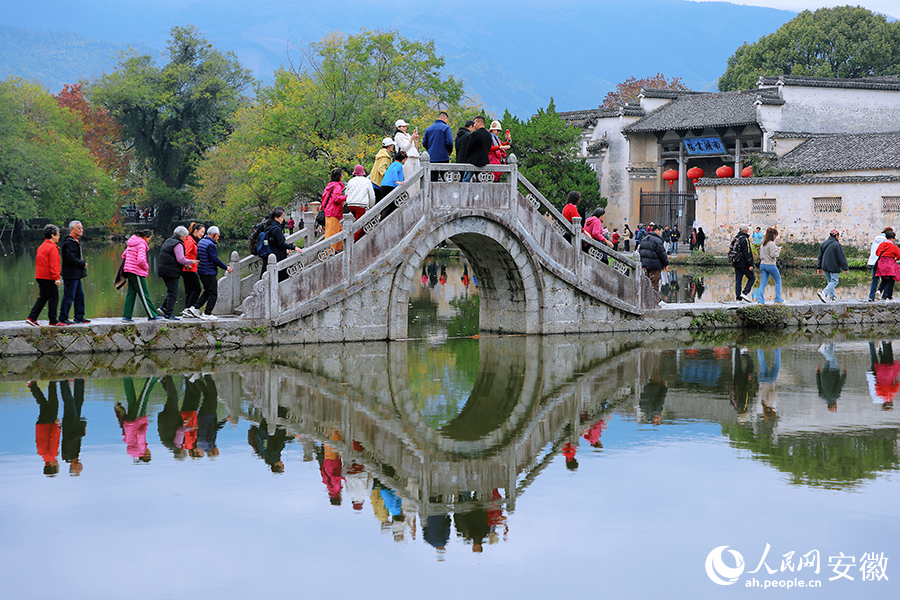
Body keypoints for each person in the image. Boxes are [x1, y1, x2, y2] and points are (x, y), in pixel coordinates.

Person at [187, 226, 233, 320]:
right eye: (218, 236)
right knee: (213, 293)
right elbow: (214, 259)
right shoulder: (211, 245)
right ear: (214, 235)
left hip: (202, 271)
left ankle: (195, 308)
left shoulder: (202, 242)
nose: (218, 238)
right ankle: (207, 313)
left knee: (208, 291)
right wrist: (226, 267)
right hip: (209, 271)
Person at [25, 224, 64, 327]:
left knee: (43, 297)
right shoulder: (52, 247)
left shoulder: (42, 246)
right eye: (58, 234)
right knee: (54, 297)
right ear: (52, 235)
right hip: (48, 277)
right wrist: (57, 278)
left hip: (40, 276)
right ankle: (53, 321)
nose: (59, 236)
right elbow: (53, 264)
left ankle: (32, 317)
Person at [157, 226, 198, 320]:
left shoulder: (168, 241)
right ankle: (168, 314)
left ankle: (163, 307)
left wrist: (185, 264)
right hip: (170, 271)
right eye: (185, 237)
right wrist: (191, 261)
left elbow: (174, 257)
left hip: (163, 269)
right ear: (182, 236)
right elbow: (180, 259)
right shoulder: (178, 243)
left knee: (171, 290)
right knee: (173, 292)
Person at [122, 229, 159, 321]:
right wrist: (146, 267)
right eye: (149, 239)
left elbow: (124, 255)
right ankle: (152, 315)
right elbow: (141, 260)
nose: (149, 241)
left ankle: (126, 316)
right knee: (144, 293)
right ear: (145, 237)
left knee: (131, 293)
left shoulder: (132, 243)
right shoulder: (141, 244)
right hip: (137, 272)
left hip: (129, 271)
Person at [58, 220, 89, 324]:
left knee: (79, 295)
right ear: (72, 229)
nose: (81, 230)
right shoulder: (69, 242)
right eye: (78, 228)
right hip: (70, 274)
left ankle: (79, 316)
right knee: (69, 295)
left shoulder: (75, 241)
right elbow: (70, 258)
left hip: (76, 274)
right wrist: (82, 264)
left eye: (81, 228)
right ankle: (63, 318)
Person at [30, 380, 60, 475]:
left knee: (53, 402)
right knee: (42, 403)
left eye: (57, 466)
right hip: (41, 425)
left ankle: (52, 381)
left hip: (49, 424)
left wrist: (56, 425)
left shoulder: (52, 455)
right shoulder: (41, 453)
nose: (58, 464)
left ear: (52, 466)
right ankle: (32, 385)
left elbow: (53, 439)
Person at [60, 379, 86, 476]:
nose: (81, 467)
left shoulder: (68, 455)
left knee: (69, 402)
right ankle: (79, 380)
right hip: (75, 423)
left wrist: (81, 433)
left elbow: (70, 439)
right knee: (78, 401)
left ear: (72, 467)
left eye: (78, 469)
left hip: (69, 423)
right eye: (80, 469)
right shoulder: (75, 455)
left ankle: (63, 381)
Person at [816, 229, 849, 302]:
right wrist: (845, 267)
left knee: (830, 282)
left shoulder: (823, 244)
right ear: (836, 236)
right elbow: (841, 257)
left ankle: (833, 297)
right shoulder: (837, 245)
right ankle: (823, 293)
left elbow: (820, 256)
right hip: (833, 266)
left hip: (825, 266)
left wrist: (819, 267)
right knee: (834, 281)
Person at [345, 164, 375, 242]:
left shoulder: (350, 181)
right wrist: (371, 205)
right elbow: (371, 195)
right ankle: (354, 241)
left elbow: (346, 193)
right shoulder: (367, 181)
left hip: (351, 205)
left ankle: (352, 239)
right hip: (361, 205)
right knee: (360, 225)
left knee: (357, 221)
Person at [755, 227, 784, 304]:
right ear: (773, 235)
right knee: (778, 281)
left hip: (762, 264)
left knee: (763, 283)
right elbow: (774, 255)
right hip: (770, 265)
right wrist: (778, 250)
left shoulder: (763, 244)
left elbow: (761, 255)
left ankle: (760, 301)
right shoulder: (771, 243)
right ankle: (778, 298)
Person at [181, 223, 205, 318]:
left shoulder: (192, 240)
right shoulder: (190, 241)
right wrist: (187, 264)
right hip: (188, 269)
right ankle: (189, 308)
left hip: (190, 268)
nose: (202, 234)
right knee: (197, 288)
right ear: (195, 231)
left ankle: (187, 310)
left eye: (203, 232)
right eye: (201, 232)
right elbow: (185, 254)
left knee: (190, 290)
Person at [322, 167, 348, 252]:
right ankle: (329, 252)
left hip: (329, 211)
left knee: (336, 231)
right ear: (339, 176)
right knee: (333, 233)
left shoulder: (329, 186)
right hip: (333, 212)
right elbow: (336, 199)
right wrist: (346, 197)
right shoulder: (337, 186)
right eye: (342, 174)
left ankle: (335, 250)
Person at [423, 111, 453, 181]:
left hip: (432, 158)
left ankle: (432, 192)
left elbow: (424, 143)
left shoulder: (428, 129)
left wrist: (430, 149)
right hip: (443, 157)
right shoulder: (446, 128)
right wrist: (449, 151)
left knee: (433, 180)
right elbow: (449, 141)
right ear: (445, 118)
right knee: (446, 179)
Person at [639, 223, 668, 294]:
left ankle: (656, 300)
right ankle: (652, 302)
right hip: (655, 265)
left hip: (646, 265)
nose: (661, 234)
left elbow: (641, 252)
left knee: (647, 284)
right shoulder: (658, 241)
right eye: (661, 232)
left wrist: (642, 264)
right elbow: (662, 253)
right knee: (654, 284)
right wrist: (666, 263)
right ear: (657, 230)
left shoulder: (644, 239)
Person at [730, 224, 755, 302]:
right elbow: (747, 253)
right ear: (746, 230)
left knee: (738, 281)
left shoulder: (736, 238)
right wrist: (750, 264)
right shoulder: (745, 239)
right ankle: (744, 293)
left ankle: (738, 298)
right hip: (744, 264)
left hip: (736, 263)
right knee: (752, 278)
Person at [393, 119, 420, 188]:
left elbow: (415, 148)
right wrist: (411, 139)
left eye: (405, 127)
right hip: (407, 158)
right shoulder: (398, 136)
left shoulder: (408, 135)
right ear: (398, 127)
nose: (405, 128)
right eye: (403, 126)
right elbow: (405, 148)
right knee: (409, 178)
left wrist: (416, 139)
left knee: (418, 179)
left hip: (415, 157)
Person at [465, 115, 493, 181]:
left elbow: (469, 148)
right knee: (481, 181)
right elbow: (489, 147)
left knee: (466, 180)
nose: (474, 125)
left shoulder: (475, 134)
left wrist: (468, 156)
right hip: (484, 161)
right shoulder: (489, 135)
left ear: (479, 123)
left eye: (475, 123)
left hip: (474, 161)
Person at [875, 229, 900, 301]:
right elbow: (899, 255)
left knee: (884, 280)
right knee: (891, 280)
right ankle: (889, 297)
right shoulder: (894, 247)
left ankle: (879, 290)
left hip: (881, 264)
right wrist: (896, 259)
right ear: (892, 238)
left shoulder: (881, 245)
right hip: (890, 264)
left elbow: (877, 253)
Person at [867, 227, 892, 301]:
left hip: (872, 262)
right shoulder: (886, 241)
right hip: (881, 262)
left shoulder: (876, 238)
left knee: (874, 280)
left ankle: (871, 297)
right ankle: (885, 295)